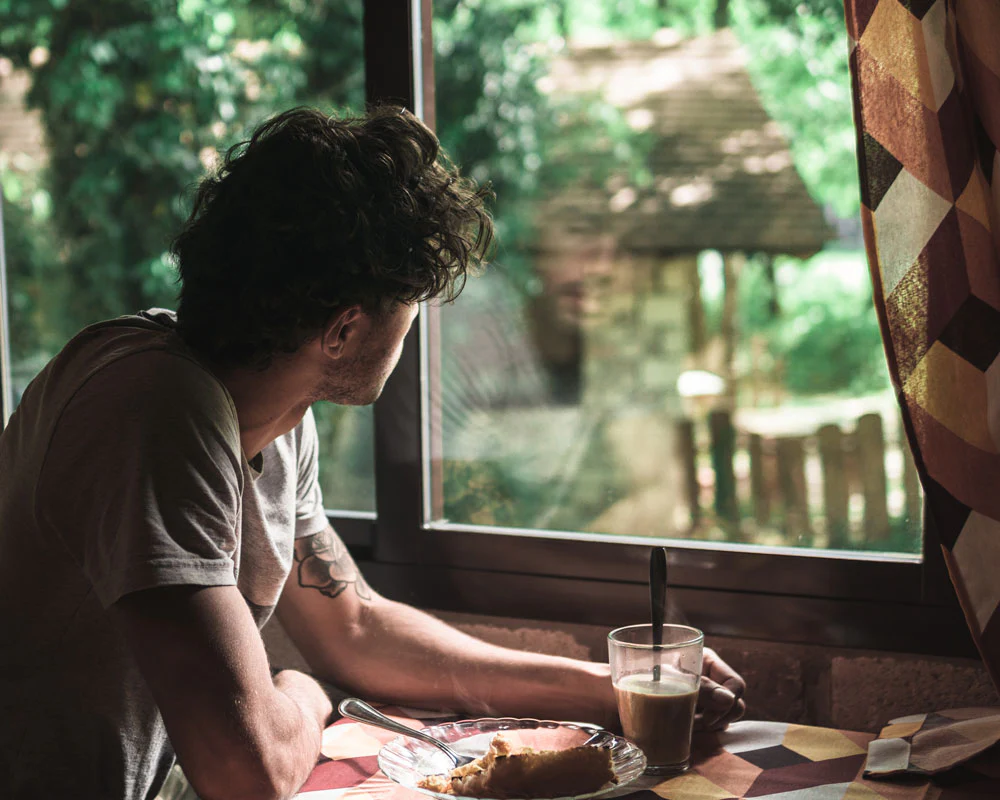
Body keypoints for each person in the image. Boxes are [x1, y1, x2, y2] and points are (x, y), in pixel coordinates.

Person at [0, 106, 745, 800]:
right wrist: (301, 690)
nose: (414, 324)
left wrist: (607, 686)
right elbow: (248, 770)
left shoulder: (278, 418)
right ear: (344, 331)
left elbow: (354, 628)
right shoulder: (157, 408)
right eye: (410, 302)